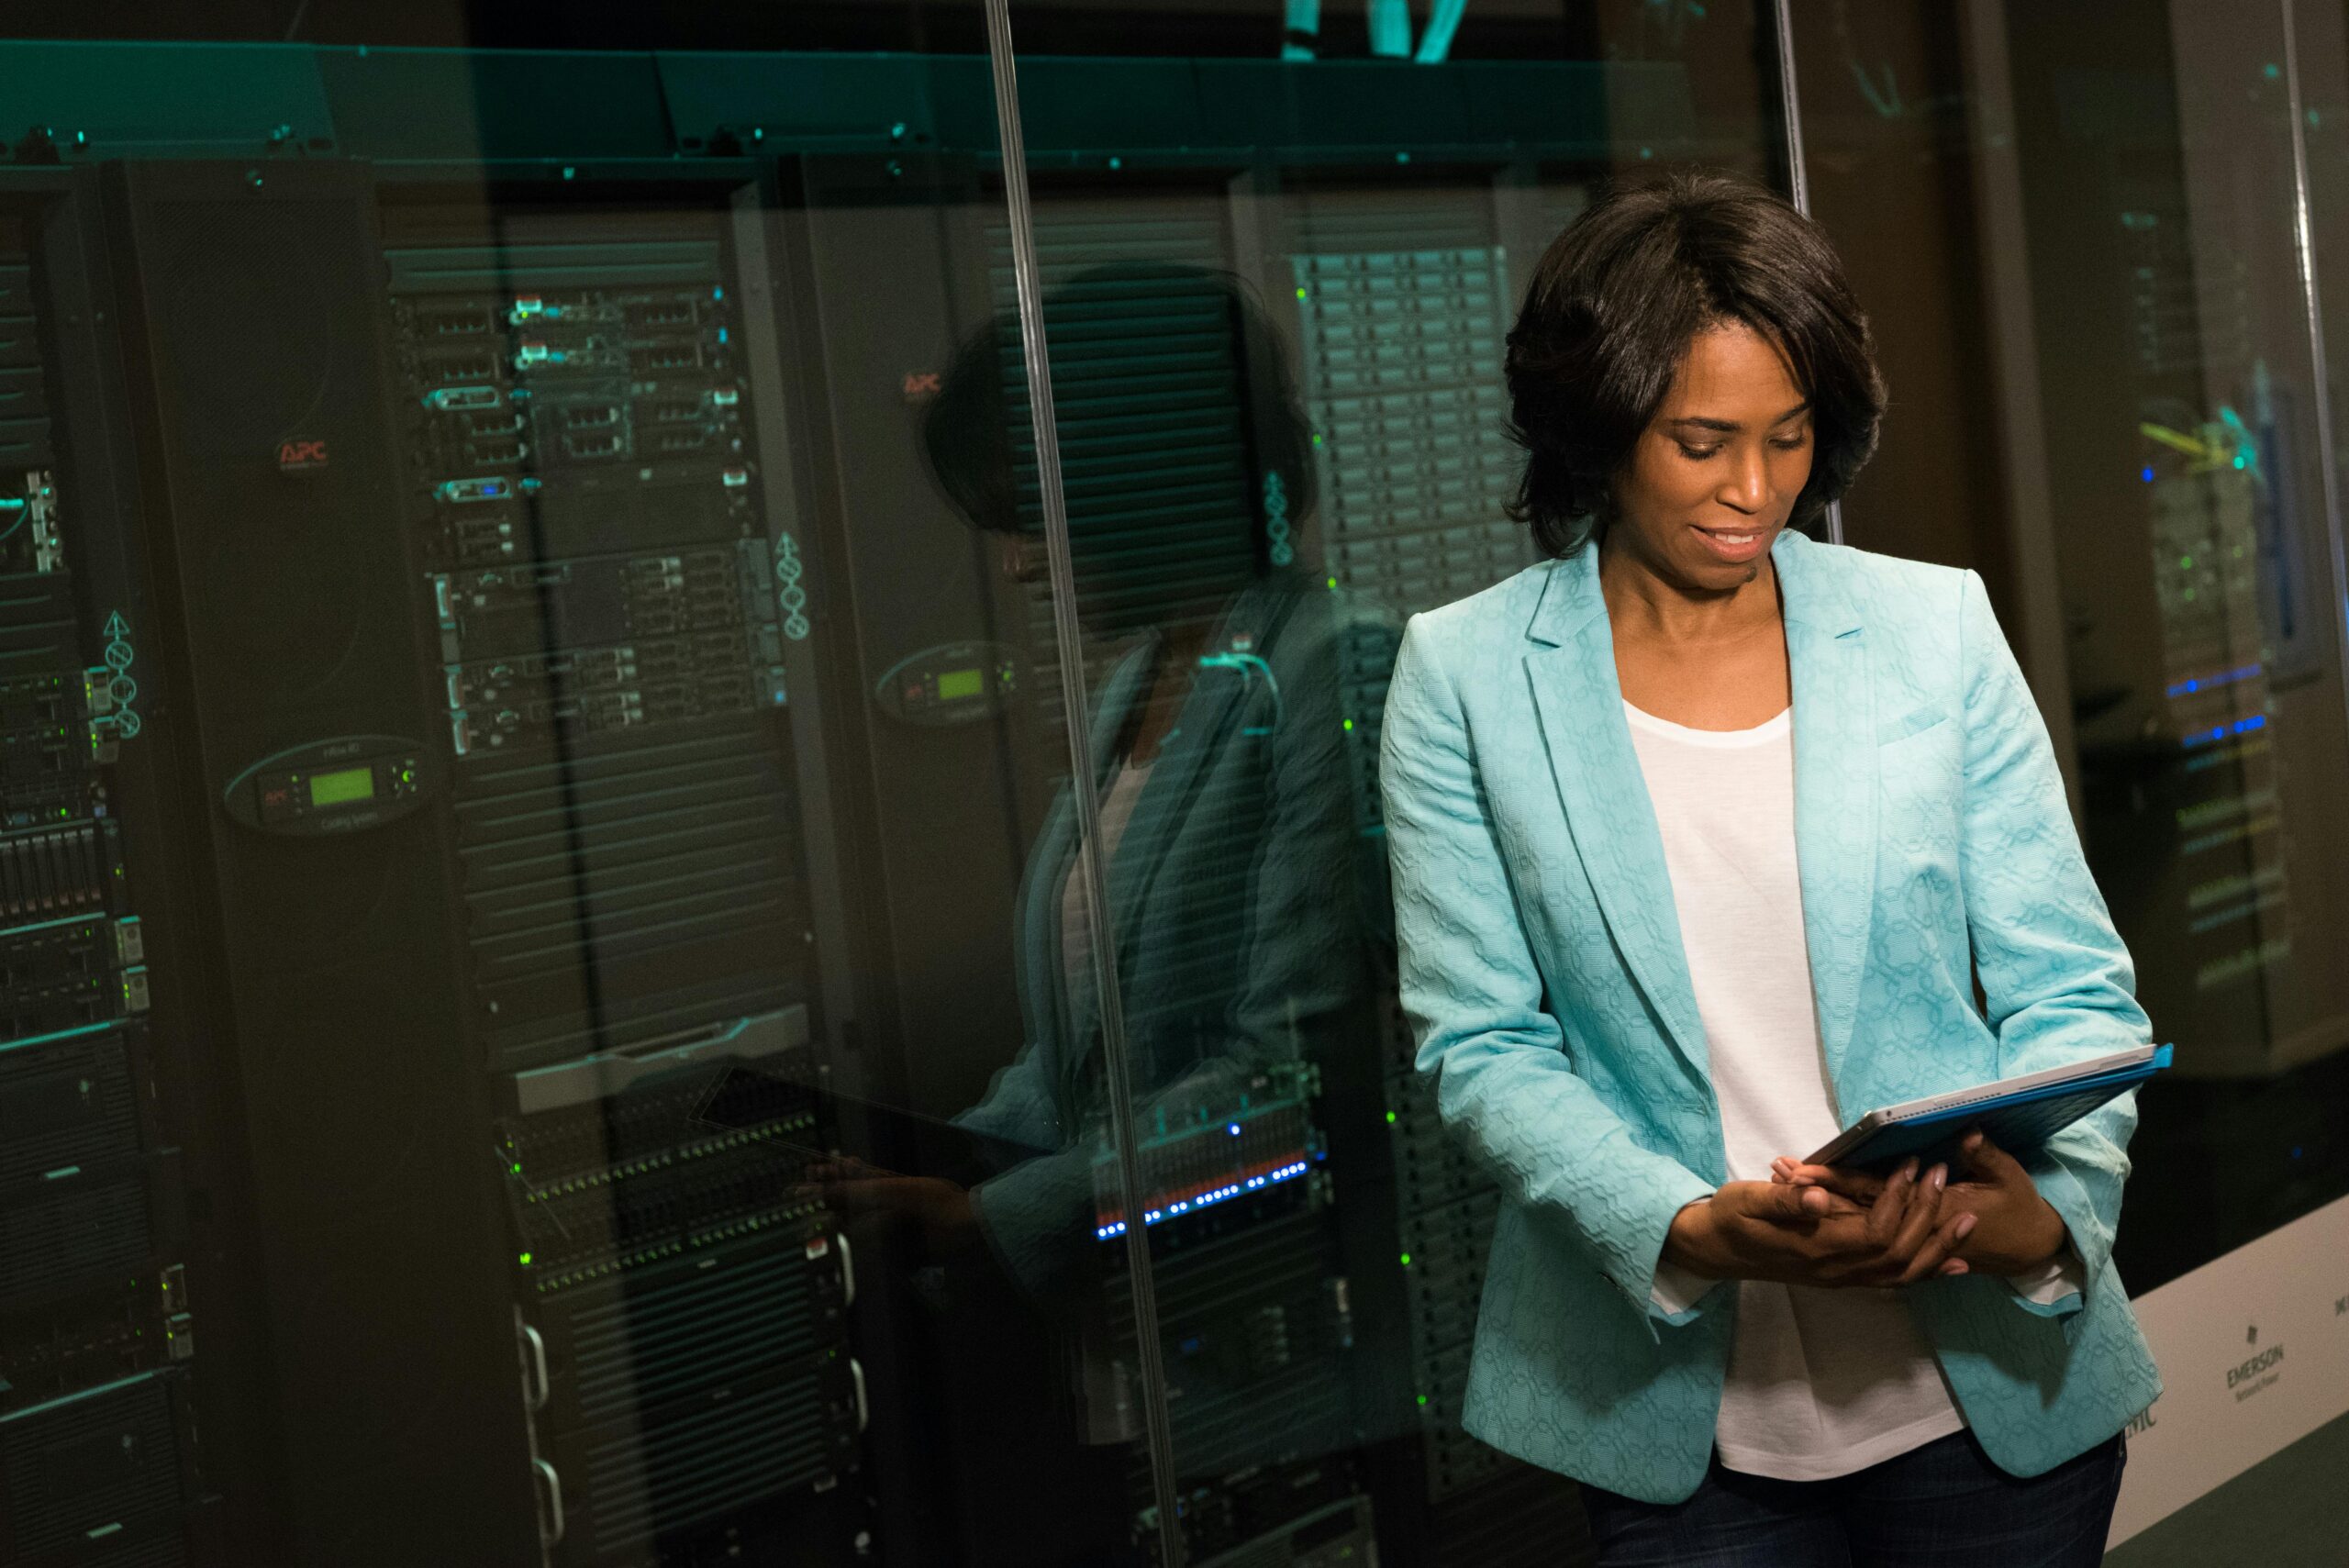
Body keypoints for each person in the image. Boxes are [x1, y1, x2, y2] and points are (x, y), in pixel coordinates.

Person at [1376, 172, 2162, 1566]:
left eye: (1791, 438)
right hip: (1682, 1422)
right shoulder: (1466, 675)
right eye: (1702, 441)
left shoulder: (1935, 629)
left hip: (1987, 1402)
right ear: (1599, 427)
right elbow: (1481, 1045)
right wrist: (1688, 1223)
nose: (1757, 491)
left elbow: (2076, 993)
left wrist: (2047, 1219)